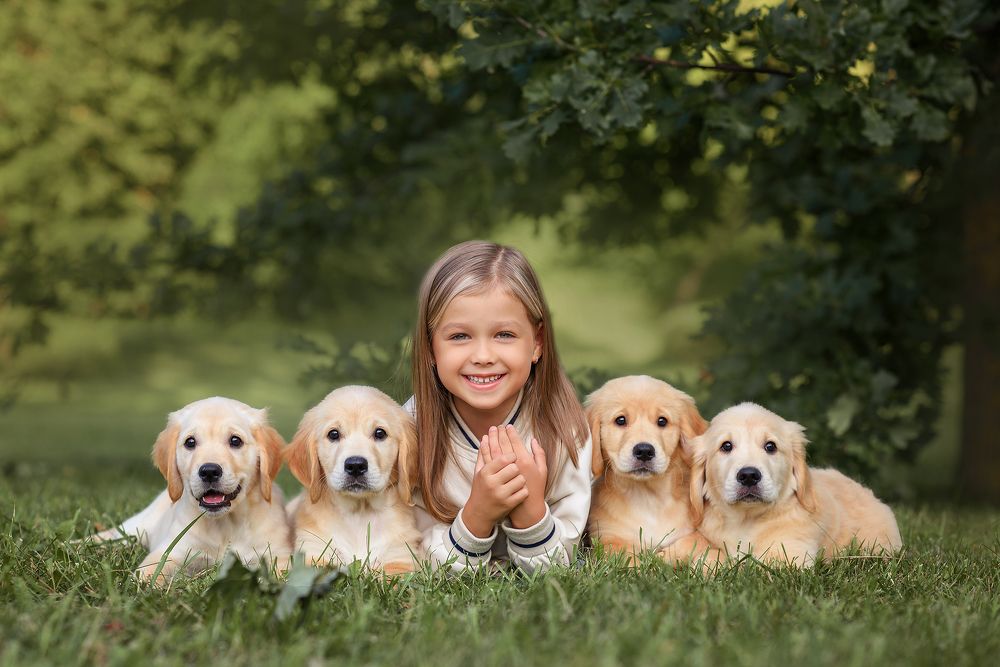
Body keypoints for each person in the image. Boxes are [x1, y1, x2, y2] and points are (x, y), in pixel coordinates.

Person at [405, 240, 592, 574]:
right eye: (459, 336)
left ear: (537, 342)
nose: (483, 356)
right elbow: (416, 563)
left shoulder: (565, 428)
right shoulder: (409, 429)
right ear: (430, 347)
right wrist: (478, 513)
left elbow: (558, 571)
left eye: (504, 334)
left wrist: (530, 512)